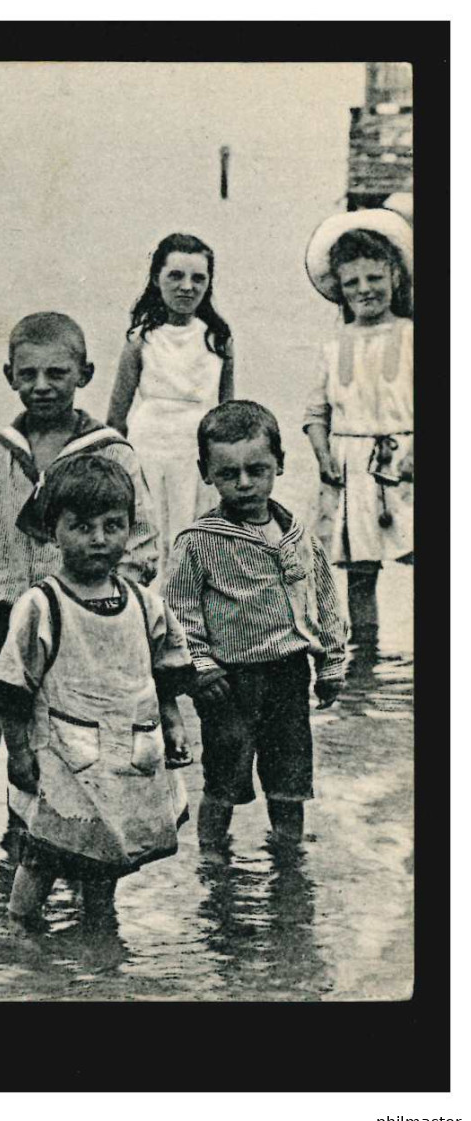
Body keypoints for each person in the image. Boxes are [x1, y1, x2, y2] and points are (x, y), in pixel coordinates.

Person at [0, 312, 159, 845]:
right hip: (9, 622)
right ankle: (22, 838)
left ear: (84, 374)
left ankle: (88, 843)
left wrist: (108, 601)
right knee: (19, 741)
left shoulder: (110, 451)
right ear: (10, 376)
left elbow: (141, 540)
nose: (41, 386)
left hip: (82, 627)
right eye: (28, 375)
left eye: (56, 373)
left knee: (83, 736)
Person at [0, 455, 194, 928]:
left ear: (129, 528)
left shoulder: (143, 602)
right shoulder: (43, 604)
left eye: (112, 525)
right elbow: (12, 687)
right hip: (62, 753)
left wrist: (174, 723)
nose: (98, 539)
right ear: (53, 530)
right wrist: (17, 752)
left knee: (109, 849)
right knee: (44, 851)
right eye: (81, 526)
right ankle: (20, 929)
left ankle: (100, 930)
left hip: (126, 752)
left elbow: (165, 671)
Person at [163, 401, 347, 861]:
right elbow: (178, 612)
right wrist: (200, 669)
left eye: (257, 469)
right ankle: (213, 862)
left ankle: (289, 863)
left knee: (290, 782)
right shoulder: (198, 541)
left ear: (280, 464)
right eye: (229, 473)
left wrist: (331, 664)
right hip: (230, 682)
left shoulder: (299, 536)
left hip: (289, 675)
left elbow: (323, 601)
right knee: (224, 779)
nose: (244, 483)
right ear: (206, 472)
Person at [301, 210, 414, 648]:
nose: (365, 290)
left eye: (374, 278)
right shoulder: (333, 346)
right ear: (340, 291)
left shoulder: (412, 335)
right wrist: (322, 454)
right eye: (353, 283)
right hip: (351, 469)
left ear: (394, 277)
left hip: (406, 463)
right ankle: (364, 665)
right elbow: (316, 412)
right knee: (360, 575)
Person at [107, 233, 236, 550]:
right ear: (156, 278)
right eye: (175, 276)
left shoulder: (218, 340)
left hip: (197, 452)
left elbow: (228, 413)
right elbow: (116, 417)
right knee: (149, 537)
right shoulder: (141, 340)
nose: (187, 287)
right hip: (149, 448)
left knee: (196, 538)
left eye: (198, 278)